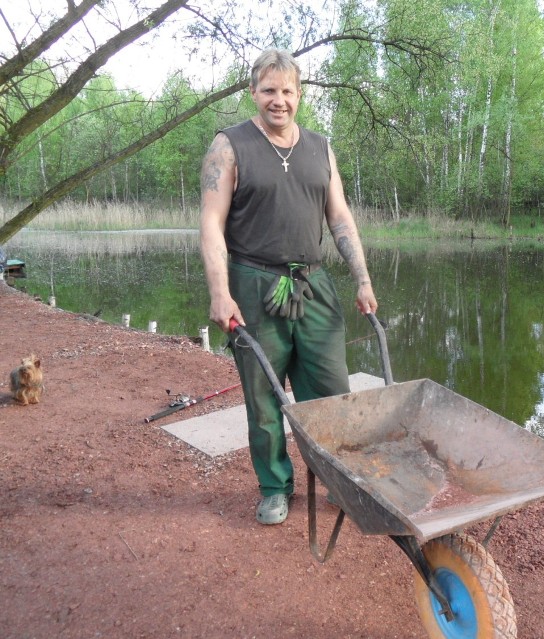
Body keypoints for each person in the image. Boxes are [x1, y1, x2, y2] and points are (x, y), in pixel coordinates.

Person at [199, 49, 378, 525]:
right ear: (253, 92)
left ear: (300, 94)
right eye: (269, 90)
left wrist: (361, 278)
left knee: (332, 392)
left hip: (314, 285)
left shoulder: (321, 147)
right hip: (254, 283)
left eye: (287, 91)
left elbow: (339, 216)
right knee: (263, 397)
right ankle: (276, 486)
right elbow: (211, 225)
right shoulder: (229, 146)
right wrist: (221, 290)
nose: (278, 100)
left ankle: (339, 480)